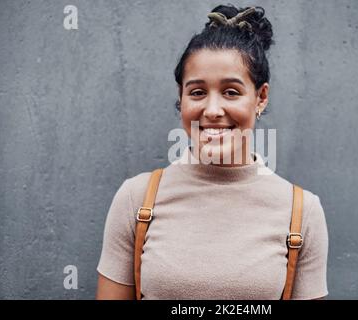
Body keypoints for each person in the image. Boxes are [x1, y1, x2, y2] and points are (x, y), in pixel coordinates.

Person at [96, 4, 328, 300]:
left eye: (231, 92)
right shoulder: (136, 199)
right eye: (197, 92)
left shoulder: (303, 212)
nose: (213, 110)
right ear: (181, 98)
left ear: (261, 98)